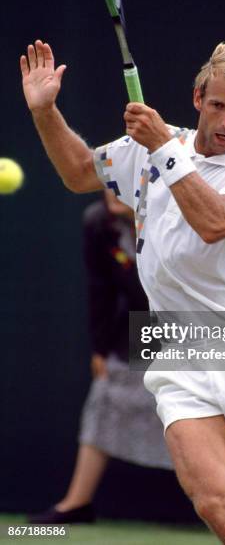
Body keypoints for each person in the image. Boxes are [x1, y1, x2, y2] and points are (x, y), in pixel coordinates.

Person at [21, 39, 225, 544]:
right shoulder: (149, 149)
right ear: (198, 97)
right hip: (179, 356)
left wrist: (165, 151)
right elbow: (77, 172)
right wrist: (45, 111)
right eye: (217, 104)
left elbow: (216, 223)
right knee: (217, 502)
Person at [29, 190, 172, 524]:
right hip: (141, 326)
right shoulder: (99, 223)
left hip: (201, 323)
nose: (111, 189)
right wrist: (100, 347)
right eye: (109, 180)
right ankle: (77, 504)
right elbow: (101, 288)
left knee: (222, 414)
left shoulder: (174, 219)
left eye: (122, 180)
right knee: (105, 396)